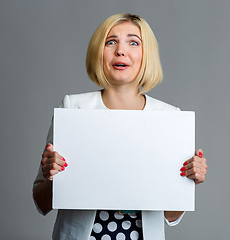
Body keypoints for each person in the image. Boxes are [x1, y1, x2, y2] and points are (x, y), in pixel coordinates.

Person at [33, 13, 208, 240]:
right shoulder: (73, 108)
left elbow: (171, 215)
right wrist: (50, 176)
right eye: (111, 41)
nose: (120, 51)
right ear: (99, 52)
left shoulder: (168, 117)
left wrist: (188, 180)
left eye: (133, 42)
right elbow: (41, 201)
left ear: (147, 55)